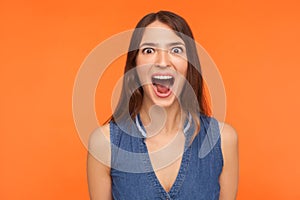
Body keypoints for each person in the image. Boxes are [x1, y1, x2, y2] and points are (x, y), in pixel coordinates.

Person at [87, 10, 239, 200]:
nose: (162, 61)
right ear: (134, 66)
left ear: (189, 64)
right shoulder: (104, 144)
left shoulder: (224, 140)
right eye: (149, 50)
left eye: (176, 50)